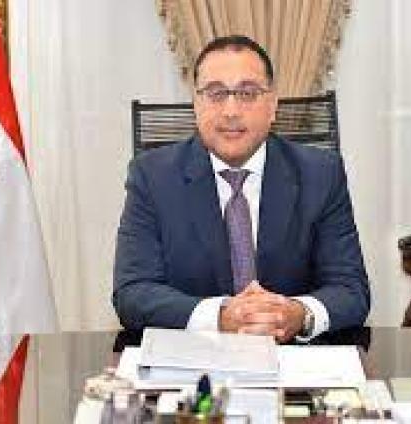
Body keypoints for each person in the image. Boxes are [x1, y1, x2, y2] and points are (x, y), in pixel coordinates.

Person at [113, 35, 369, 342]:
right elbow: (133, 292)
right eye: (216, 93)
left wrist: (299, 314)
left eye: (247, 93)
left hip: (292, 358)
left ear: (273, 105)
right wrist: (220, 317)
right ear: (196, 104)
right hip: (193, 358)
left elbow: (350, 290)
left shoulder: (321, 173)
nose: (231, 111)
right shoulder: (152, 176)